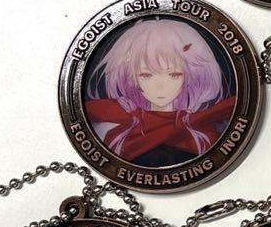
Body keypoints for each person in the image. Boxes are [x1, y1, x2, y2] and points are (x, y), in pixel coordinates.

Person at [84, 18, 235, 167]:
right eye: (146, 75)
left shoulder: (204, 133)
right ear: (131, 78)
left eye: (174, 75)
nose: (161, 87)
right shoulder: (114, 131)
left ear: (190, 77)